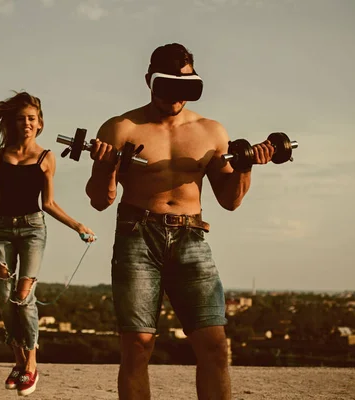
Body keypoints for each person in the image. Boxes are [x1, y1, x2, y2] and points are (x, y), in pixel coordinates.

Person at [85, 43, 275, 400]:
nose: (174, 96)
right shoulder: (120, 128)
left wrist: (247, 168)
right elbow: (100, 200)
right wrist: (105, 165)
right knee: (138, 346)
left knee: (215, 346)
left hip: (191, 236)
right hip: (137, 235)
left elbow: (230, 201)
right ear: (149, 80)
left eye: (182, 85)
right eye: (166, 84)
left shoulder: (211, 132)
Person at [0, 91, 96, 396]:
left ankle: (31, 366)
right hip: (2, 230)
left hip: (33, 230)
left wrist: (78, 226)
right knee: (5, 299)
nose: (27, 123)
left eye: (32, 118)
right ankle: (17, 363)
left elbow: (49, 204)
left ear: (40, 124)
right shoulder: (3, 154)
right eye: (22, 119)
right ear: (14, 123)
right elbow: (1, 199)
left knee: (23, 296)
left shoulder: (46, 158)